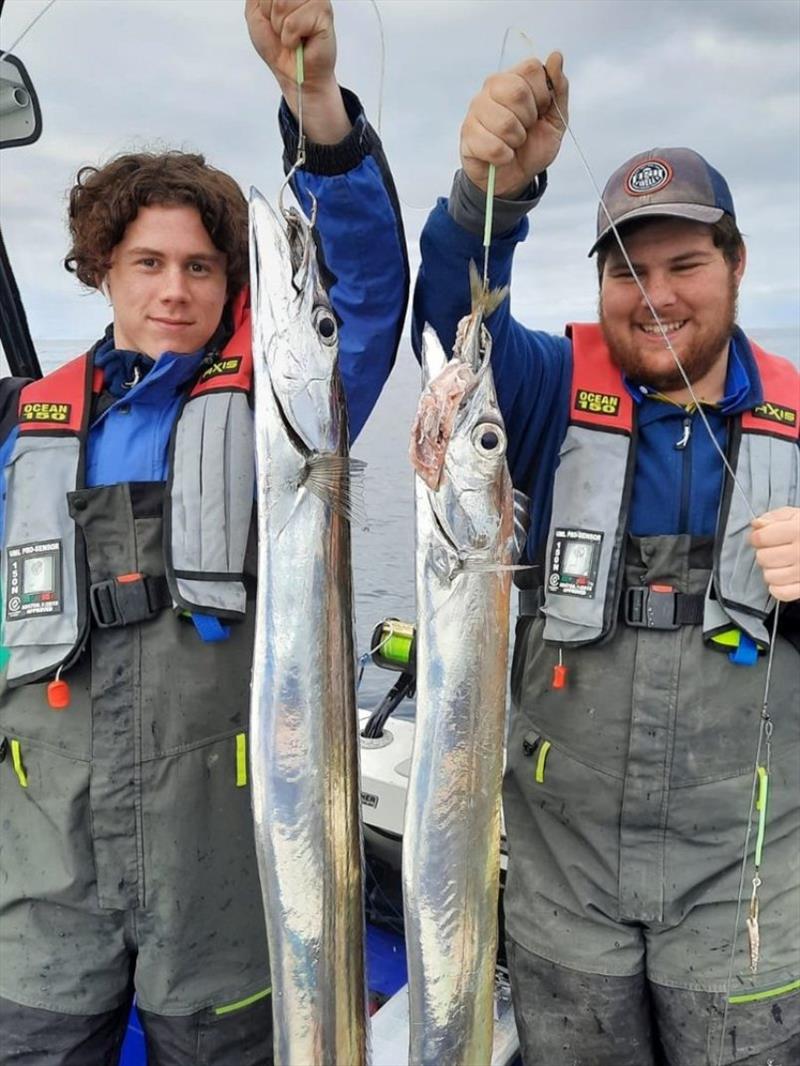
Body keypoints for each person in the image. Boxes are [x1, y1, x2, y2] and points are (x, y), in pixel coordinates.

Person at [0, 1, 408, 1062]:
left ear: (234, 286)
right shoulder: (20, 424)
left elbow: (359, 294)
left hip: (219, 879)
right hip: (41, 880)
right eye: (147, 262)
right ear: (103, 270)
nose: (173, 288)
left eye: (199, 266)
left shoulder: (279, 408)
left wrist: (314, 105)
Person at [413, 52, 799, 1066]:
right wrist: (485, 193)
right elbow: (452, 332)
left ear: (736, 264)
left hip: (748, 890)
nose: (653, 296)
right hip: (562, 888)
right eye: (626, 270)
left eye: (682, 266)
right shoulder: (543, 389)